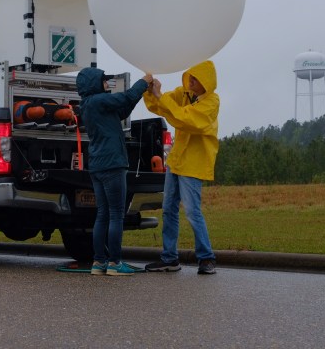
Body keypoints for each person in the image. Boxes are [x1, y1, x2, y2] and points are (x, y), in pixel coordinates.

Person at [143, 60, 219, 275]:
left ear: (207, 81)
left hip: (193, 163)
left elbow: (187, 119)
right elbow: (160, 107)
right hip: (177, 161)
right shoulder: (184, 94)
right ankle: (169, 258)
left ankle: (206, 258)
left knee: (193, 212)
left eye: (196, 78)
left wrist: (160, 95)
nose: (191, 81)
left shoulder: (212, 102)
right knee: (168, 210)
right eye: (190, 77)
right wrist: (150, 91)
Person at [76, 67, 153, 276]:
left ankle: (98, 262)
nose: (107, 84)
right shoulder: (100, 100)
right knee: (117, 214)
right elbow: (127, 96)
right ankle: (115, 263)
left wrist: (139, 94)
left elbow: (123, 108)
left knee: (102, 214)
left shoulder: (88, 105)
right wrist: (144, 82)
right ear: (94, 83)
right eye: (104, 80)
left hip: (97, 166)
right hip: (113, 164)